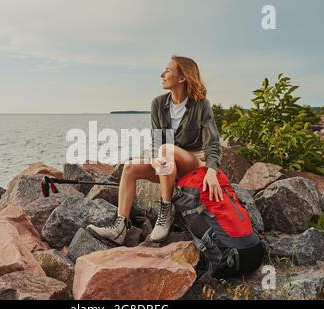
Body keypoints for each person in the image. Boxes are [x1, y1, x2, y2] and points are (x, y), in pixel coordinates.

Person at [86, 55, 222, 245]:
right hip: (168, 166)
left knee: (166, 149)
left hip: (193, 163)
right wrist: (153, 160)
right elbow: (156, 143)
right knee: (130, 168)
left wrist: (212, 171)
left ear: (182, 77)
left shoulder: (201, 105)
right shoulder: (158, 104)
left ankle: (165, 212)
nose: (162, 74)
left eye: (167, 70)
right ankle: (120, 227)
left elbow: (212, 143)